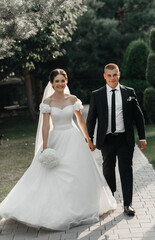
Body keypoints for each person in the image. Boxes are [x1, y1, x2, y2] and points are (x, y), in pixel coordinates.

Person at [0, 69, 116, 230]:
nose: (60, 84)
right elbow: (46, 126)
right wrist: (46, 146)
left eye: (63, 81)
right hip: (56, 139)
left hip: (73, 138)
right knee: (54, 174)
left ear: (66, 81)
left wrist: (88, 139)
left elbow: (81, 121)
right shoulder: (47, 102)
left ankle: (81, 209)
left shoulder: (73, 99)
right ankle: (55, 211)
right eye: (57, 81)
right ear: (52, 83)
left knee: (78, 173)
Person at [86, 63, 147, 216]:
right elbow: (91, 119)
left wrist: (142, 137)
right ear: (104, 76)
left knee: (126, 170)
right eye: (109, 75)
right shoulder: (97, 94)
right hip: (106, 140)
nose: (112, 78)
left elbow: (138, 117)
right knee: (108, 170)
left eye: (115, 75)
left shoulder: (129, 92)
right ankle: (110, 200)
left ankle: (128, 204)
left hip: (124, 139)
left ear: (118, 75)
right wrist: (89, 139)